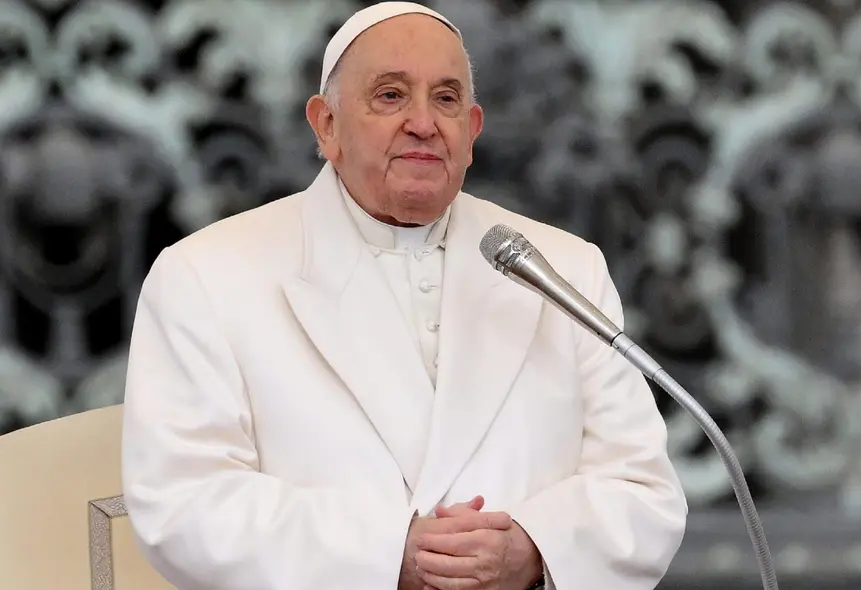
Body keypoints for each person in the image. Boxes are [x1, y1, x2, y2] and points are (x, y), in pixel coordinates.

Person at [120, 2, 687, 589]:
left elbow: (642, 490)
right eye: (390, 95)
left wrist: (535, 549)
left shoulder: (564, 268)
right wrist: (387, 554)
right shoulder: (206, 275)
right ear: (326, 124)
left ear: (472, 132)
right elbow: (184, 504)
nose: (423, 122)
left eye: (446, 99)